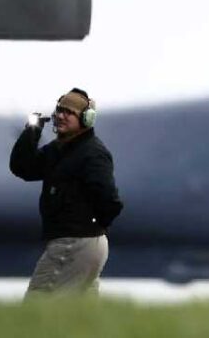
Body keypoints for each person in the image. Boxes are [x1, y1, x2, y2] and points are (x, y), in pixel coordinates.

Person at [9, 88, 123, 296]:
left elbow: (110, 200)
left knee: (37, 307)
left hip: (74, 243)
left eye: (69, 112)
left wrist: (89, 226)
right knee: (79, 318)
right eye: (59, 110)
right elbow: (23, 168)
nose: (61, 116)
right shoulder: (59, 150)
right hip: (80, 243)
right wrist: (32, 132)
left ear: (87, 119)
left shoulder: (93, 153)